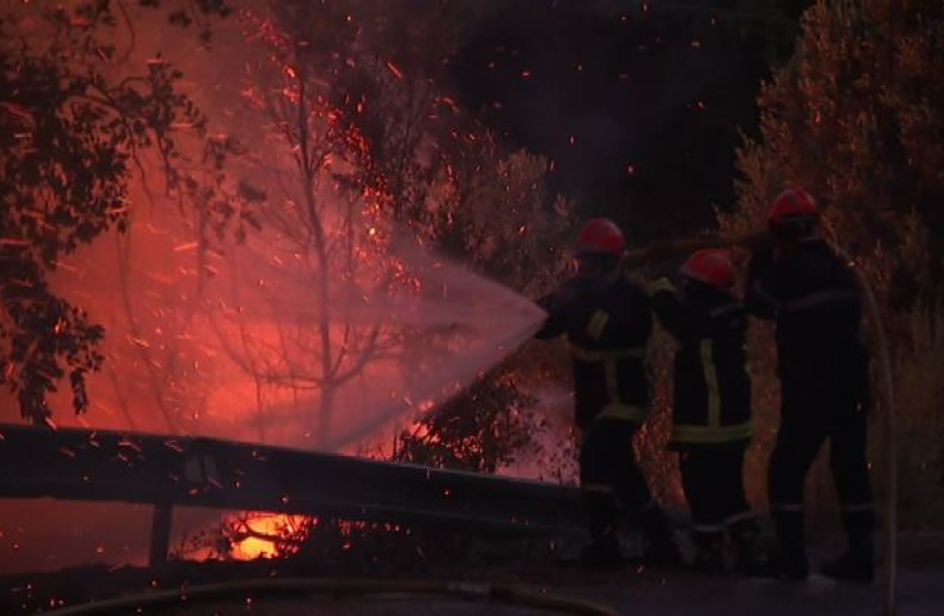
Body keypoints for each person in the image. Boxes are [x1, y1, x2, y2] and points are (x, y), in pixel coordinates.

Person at [745, 187, 874, 582]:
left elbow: (756, 303)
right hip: (851, 386)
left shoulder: (789, 270)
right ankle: (862, 556)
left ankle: (791, 556)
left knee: (786, 470)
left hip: (812, 389)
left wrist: (759, 256)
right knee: (850, 467)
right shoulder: (838, 265)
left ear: (780, 232)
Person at [535, 218, 680, 568]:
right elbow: (545, 327)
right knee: (623, 475)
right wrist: (538, 310)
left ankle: (604, 545)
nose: (583, 271)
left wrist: (581, 310)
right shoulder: (576, 291)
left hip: (624, 399)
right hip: (594, 403)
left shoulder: (632, 297)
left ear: (609, 264)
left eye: (590, 264)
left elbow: (623, 333)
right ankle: (662, 543)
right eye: (580, 263)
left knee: (595, 458)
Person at [648, 249, 760, 574]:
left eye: (687, 283)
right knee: (730, 487)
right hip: (734, 422)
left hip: (707, 420)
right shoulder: (730, 310)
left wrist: (657, 283)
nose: (683, 288)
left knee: (700, 487)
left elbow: (675, 318)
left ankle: (710, 552)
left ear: (700, 286)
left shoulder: (703, 315)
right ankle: (747, 543)